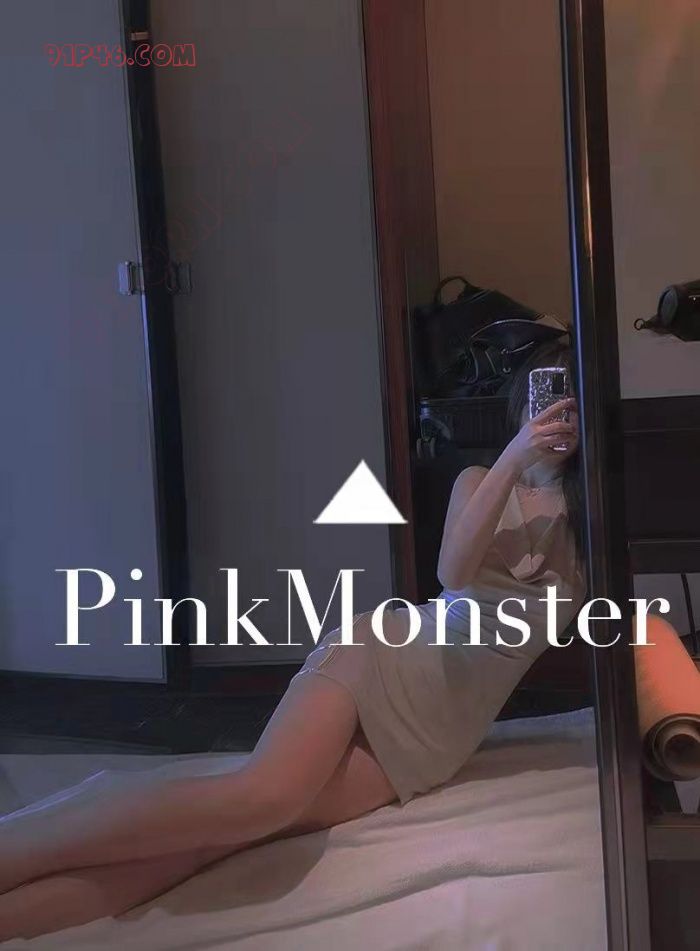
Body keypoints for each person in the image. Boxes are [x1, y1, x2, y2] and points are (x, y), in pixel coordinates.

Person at [0, 342, 585, 940]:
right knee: (262, 798)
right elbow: (453, 574)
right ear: (522, 402)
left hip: (438, 733)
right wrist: (516, 458)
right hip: (386, 658)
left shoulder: (590, 521)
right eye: (549, 394)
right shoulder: (481, 480)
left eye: (575, 400)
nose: (559, 413)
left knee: (220, 842)